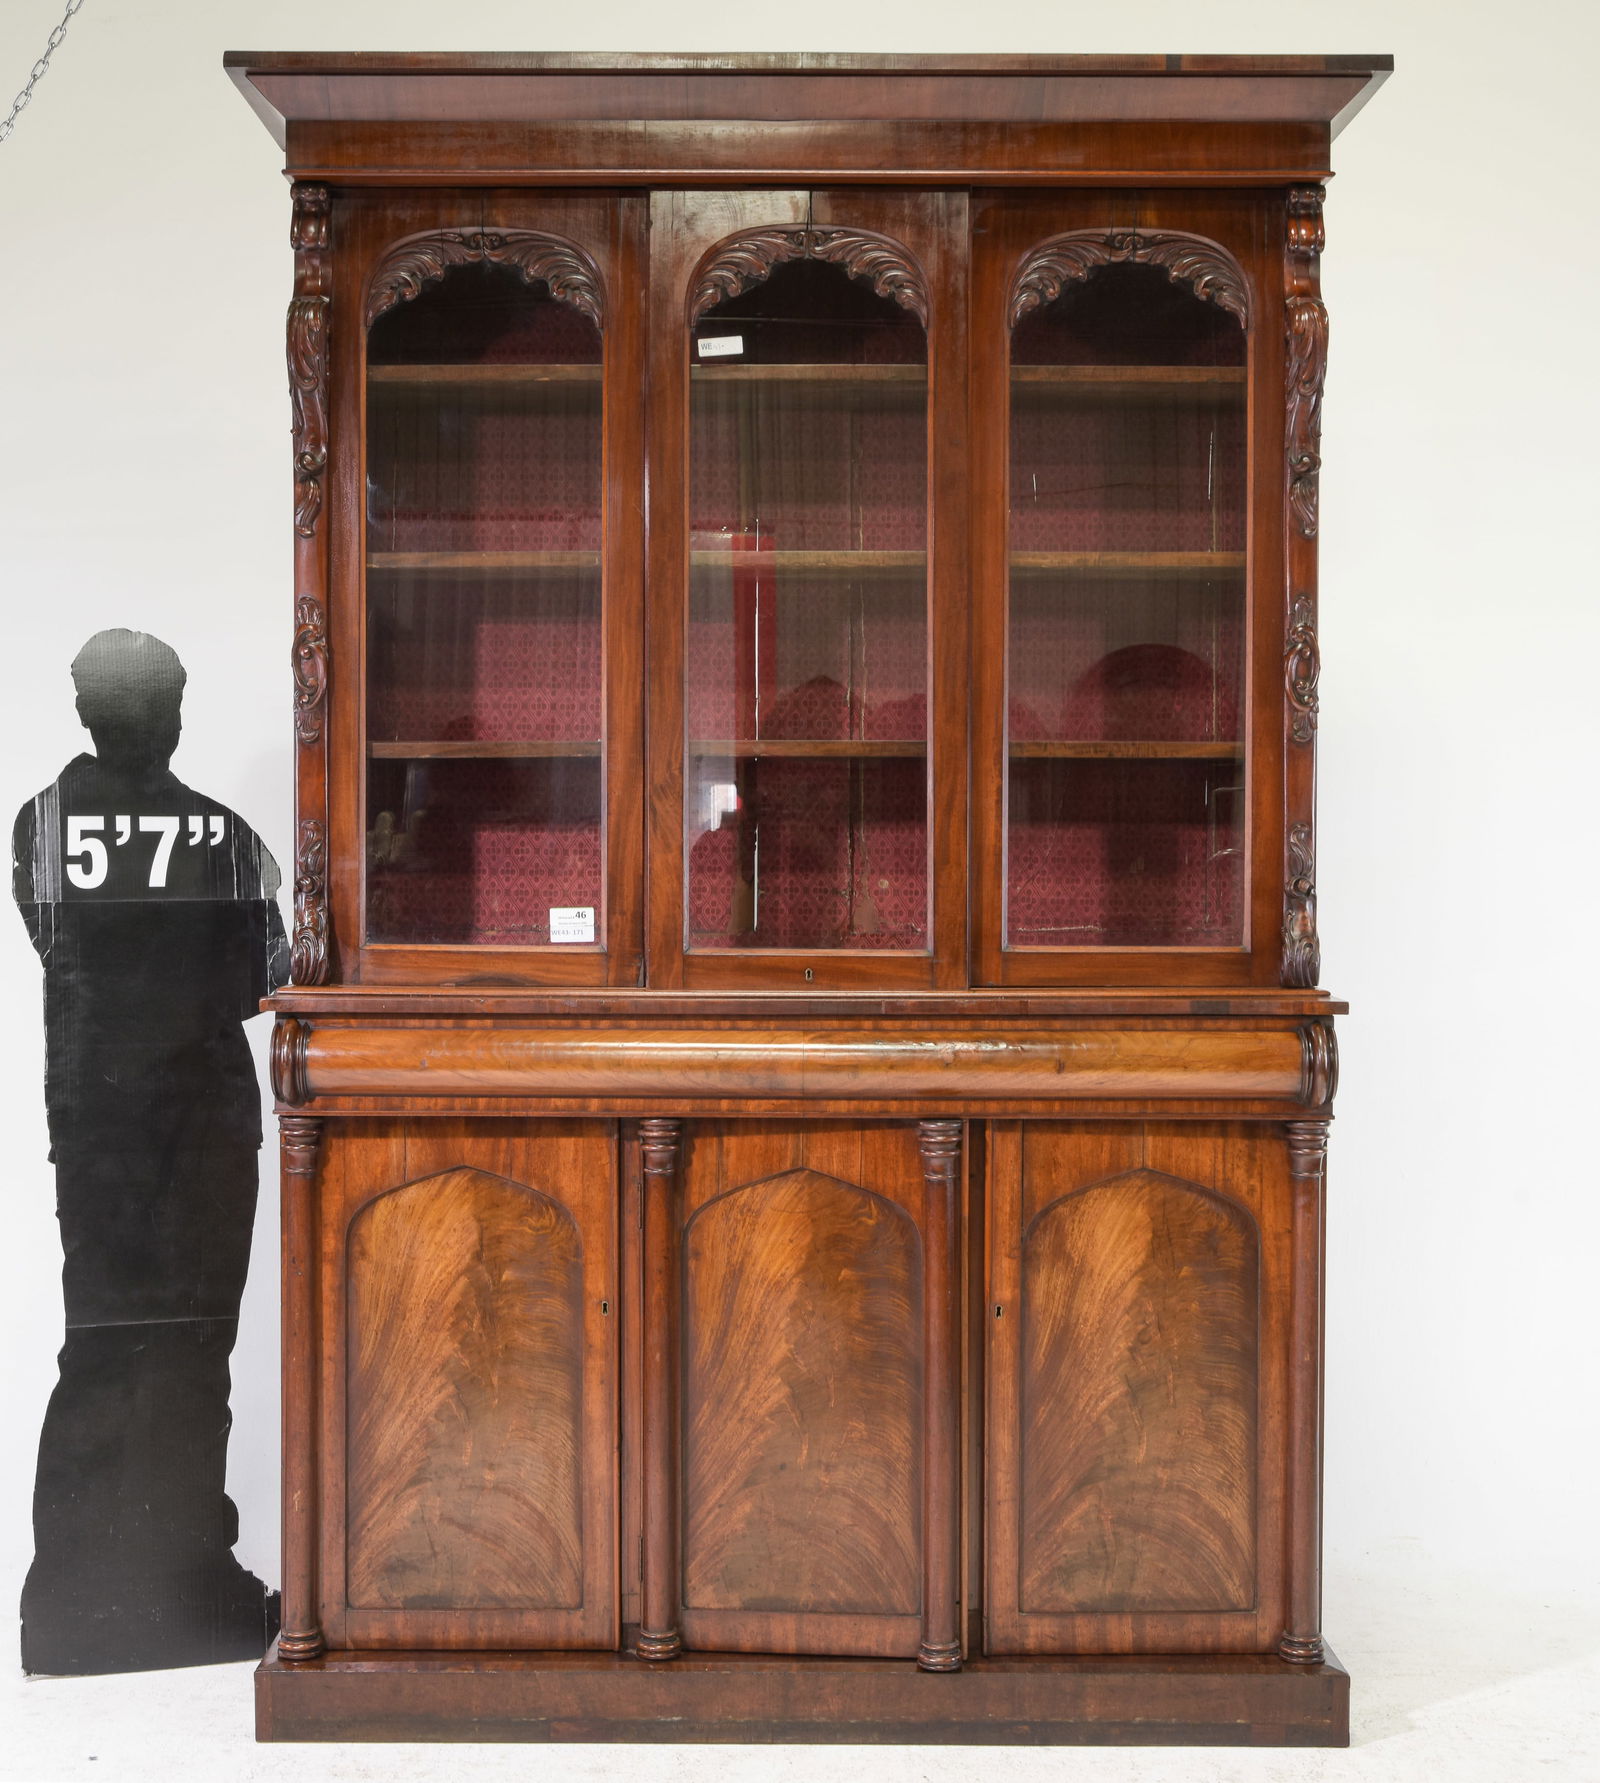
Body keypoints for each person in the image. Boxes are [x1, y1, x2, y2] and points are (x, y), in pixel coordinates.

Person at [12, 629, 286, 1673]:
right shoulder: (223, 837)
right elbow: (268, 973)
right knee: (192, 1353)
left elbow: (51, 940)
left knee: (102, 1345)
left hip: (92, 1127)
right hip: (202, 1129)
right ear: (175, 711)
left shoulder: (37, 825)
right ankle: (184, 1592)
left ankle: (72, 1602)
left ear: (84, 711)